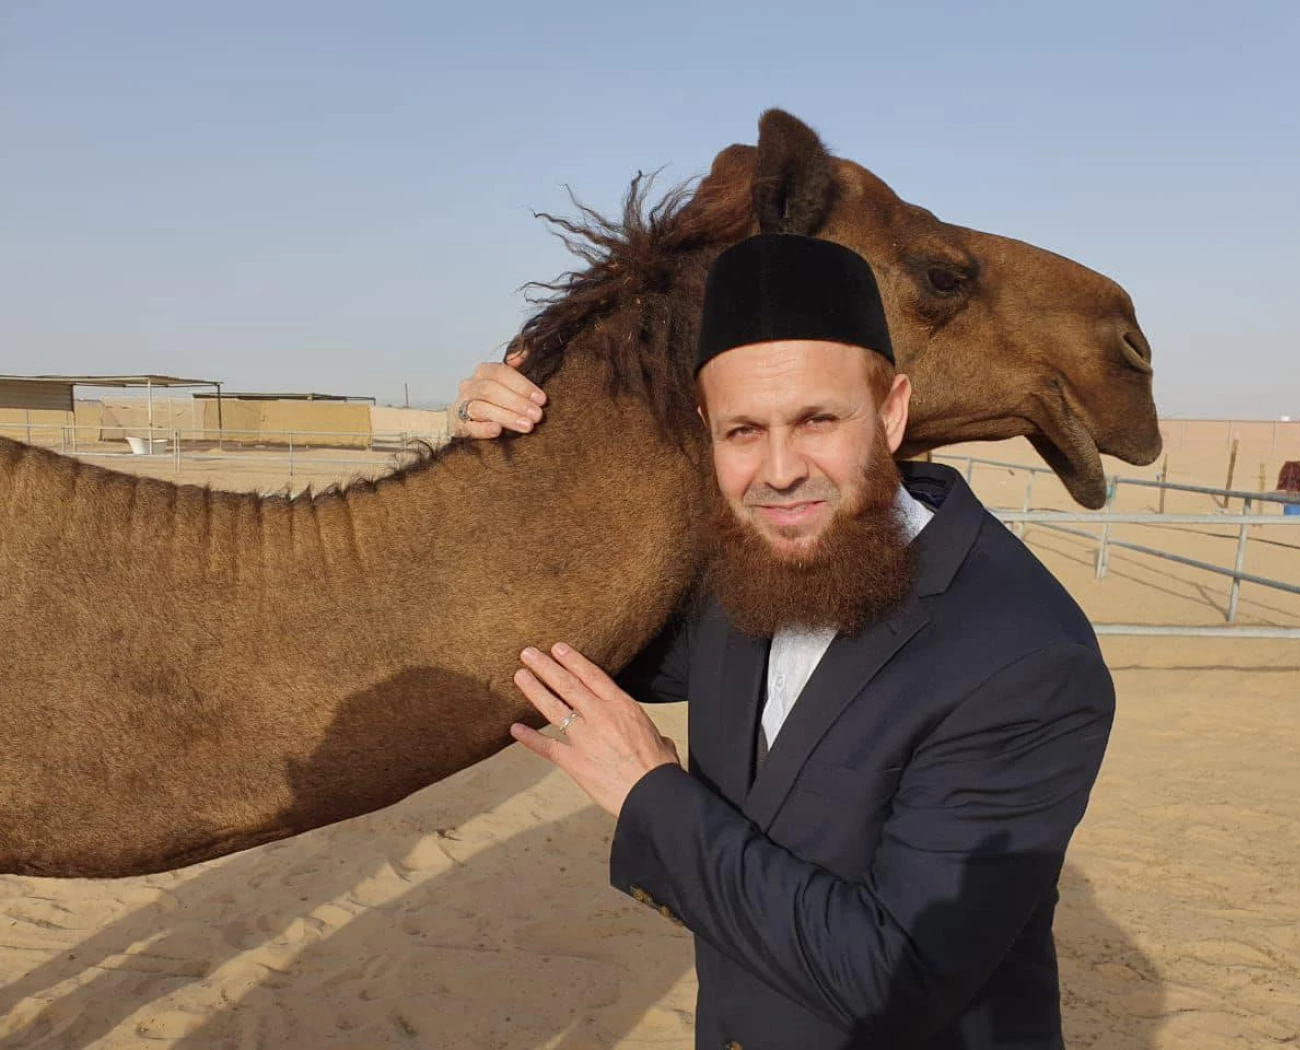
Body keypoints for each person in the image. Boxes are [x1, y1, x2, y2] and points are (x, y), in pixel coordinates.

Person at [454, 233, 1115, 1049]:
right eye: (742, 431)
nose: (778, 470)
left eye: (816, 421)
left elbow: (895, 978)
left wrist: (649, 794)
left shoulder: (1024, 659)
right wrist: (518, 455)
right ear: (707, 429)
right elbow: (586, 635)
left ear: (893, 411)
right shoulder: (749, 565)